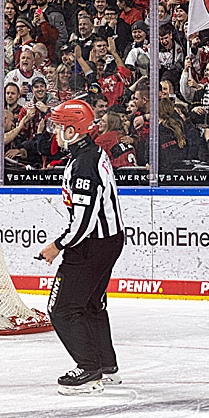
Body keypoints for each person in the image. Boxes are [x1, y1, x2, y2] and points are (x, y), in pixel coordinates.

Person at [36, 99, 125, 396]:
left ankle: (88, 369)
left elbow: (85, 219)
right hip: (108, 241)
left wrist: (58, 245)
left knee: (61, 309)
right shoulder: (90, 153)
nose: (56, 132)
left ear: (74, 130)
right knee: (91, 305)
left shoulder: (84, 163)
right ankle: (105, 366)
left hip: (92, 245)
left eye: (60, 127)